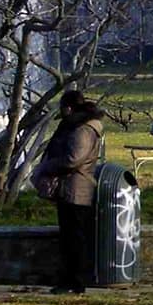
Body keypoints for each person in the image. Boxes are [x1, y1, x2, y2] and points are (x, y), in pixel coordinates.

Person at [37, 90, 106, 294]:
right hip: (73, 188)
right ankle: (72, 280)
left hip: (75, 188)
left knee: (73, 238)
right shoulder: (83, 127)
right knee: (71, 237)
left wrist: (49, 165)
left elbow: (73, 159)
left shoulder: (83, 130)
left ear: (69, 108)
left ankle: (74, 281)